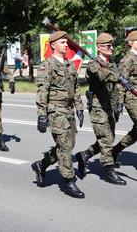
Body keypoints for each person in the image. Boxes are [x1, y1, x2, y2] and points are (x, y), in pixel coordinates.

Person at [31, 31, 85, 198]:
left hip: (68, 111)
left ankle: (41, 164)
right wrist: (41, 114)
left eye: (66, 42)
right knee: (64, 146)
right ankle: (69, 181)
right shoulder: (47, 65)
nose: (66, 45)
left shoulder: (69, 64)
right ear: (53, 45)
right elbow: (42, 91)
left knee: (70, 144)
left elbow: (75, 88)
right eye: (62, 42)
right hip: (56, 111)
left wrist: (80, 107)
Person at [75, 33, 132, 185]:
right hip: (98, 106)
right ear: (99, 47)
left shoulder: (111, 64)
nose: (111, 48)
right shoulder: (94, 64)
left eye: (112, 45)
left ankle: (85, 155)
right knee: (106, 139)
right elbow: (103, 76)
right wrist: (119, 77)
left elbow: (117, 87)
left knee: (109, 138)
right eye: (108, 46)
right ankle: (108, 169)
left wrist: (119, 103)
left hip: (109, 106)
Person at [112, 30, 137, 167]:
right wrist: (120, 102)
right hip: (132, 97)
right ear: (131, 43)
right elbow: (122, 82)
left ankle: (115, 150)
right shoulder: (127, 59)